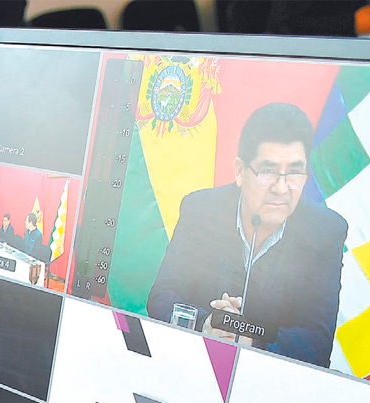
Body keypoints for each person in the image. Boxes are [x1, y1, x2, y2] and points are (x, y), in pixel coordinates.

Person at [146, 102, 348, 368]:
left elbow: (317, 343)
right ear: (240, 171)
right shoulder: (201, 210)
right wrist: (208, 323)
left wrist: (251, 340)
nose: (281, 188)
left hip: (268, 381)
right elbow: (162, 296)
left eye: (295, 172)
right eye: (268, 171)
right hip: (192, 364)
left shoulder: (325, 231)